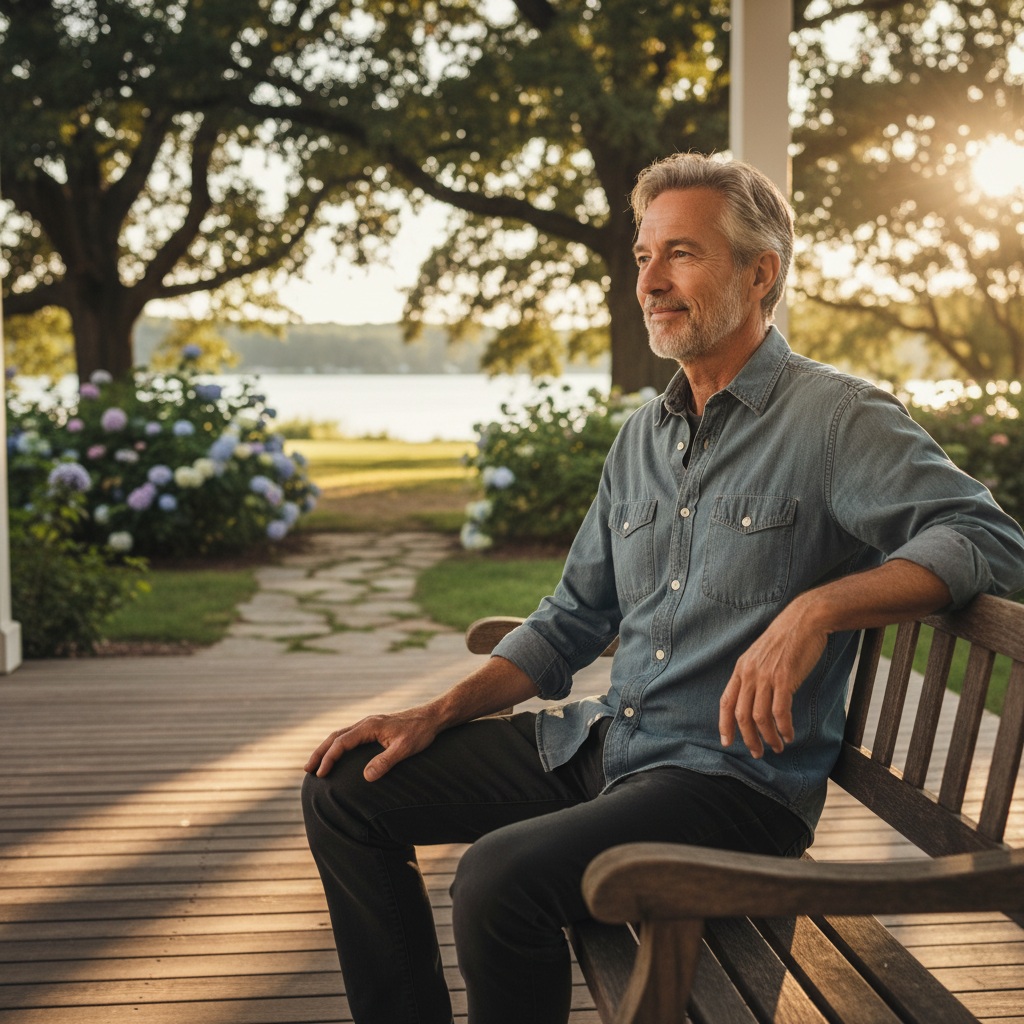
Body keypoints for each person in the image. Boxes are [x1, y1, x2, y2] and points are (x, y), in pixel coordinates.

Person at [302, 152, 1024, 1024]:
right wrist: (434, 714)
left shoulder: (837, 418)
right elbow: (572, 616)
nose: (650, 281)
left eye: (681, 254)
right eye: (645, 256)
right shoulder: (643, 437)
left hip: (730, 788)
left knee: (496, 880)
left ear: (761, 274)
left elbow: (990, 537)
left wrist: (819, 608)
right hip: (612, 747)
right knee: (345, 789)